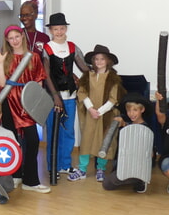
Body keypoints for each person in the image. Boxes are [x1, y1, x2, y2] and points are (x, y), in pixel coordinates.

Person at [0, 25, 50, 194]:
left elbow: (38, 83)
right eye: (11, 38)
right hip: (9, 102)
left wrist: (33, 105)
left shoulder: (34, 57)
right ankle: (15, 175)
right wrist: (0, 63)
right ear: (7, 41)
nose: (15, 40)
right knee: (12, 141)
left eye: (17, 36)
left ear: (22, 37)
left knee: (32, 140)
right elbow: (2, 84)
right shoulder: (6, 57)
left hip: (27, 102)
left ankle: (31, 181)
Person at [42, 12, 90, 178]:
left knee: (68, 131)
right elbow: (46, 75)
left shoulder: (72, 47)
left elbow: (84, 67)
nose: (59, 32)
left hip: (70, 96)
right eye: (56, 29)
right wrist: (55, 96)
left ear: (66, 29)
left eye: (62, 28)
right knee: (53, 131)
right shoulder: (47, 49)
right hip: (52, 98)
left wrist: (101, 72)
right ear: (51, 30)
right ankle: (52, 166)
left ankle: (65, 164)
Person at [71, 44, 124, 182]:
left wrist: (99, 111)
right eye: (96, 59)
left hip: (105, 115)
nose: (99, 62)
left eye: (102, 59)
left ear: (108, 61)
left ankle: (101, 169)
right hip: (90, 115)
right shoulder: (88, 76)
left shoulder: (112, 78)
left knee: (104, 142)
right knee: (86, 141)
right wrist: (91, 109)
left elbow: (113, 99)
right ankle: (82, 169)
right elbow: (82, 92)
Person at [103, 92, 153, 193]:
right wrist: (122, 122)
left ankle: (139, 179)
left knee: (109, 183)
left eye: (135, 110)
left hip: (138, 164)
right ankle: (131, 178)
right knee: (108, 183)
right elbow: (126, 126)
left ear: (142, 110)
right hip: (124, 162)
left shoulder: (145, 129)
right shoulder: (128, 124)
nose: (131, 113)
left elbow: (149, 154)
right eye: (129, 110)